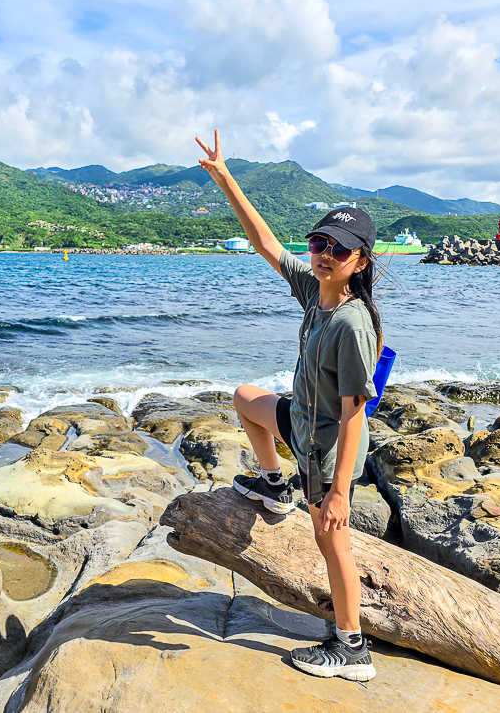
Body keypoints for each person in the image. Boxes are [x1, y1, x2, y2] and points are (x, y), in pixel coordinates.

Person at [196, 130, 382, 682]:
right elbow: (264, 243)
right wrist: (225, 177)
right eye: (319, 243)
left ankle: (351, 648)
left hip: (325, 448)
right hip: (300, 424)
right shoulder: (314, 291)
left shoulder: (351, 324)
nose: (324, 254)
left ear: (359, 261)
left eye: (338, 249)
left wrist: (340, 491)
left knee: (332, 540)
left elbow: (354, 416)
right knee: (246, 399)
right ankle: (274, 485)